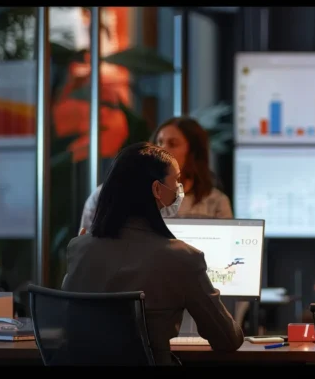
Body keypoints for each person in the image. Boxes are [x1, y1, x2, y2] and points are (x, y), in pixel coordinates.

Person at [62, 142, 244, 365]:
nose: (179, 188)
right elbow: (227, 339)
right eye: (176, 180)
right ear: (157, 189)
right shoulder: (182, 258)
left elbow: (72, 327)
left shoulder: (78, 248)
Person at [80, 116, 232, 232]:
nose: (162, 149)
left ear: (193, 153)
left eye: (172, 144)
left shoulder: (216, 202)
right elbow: (87, 246)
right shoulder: (110, 193)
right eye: (159, 142)